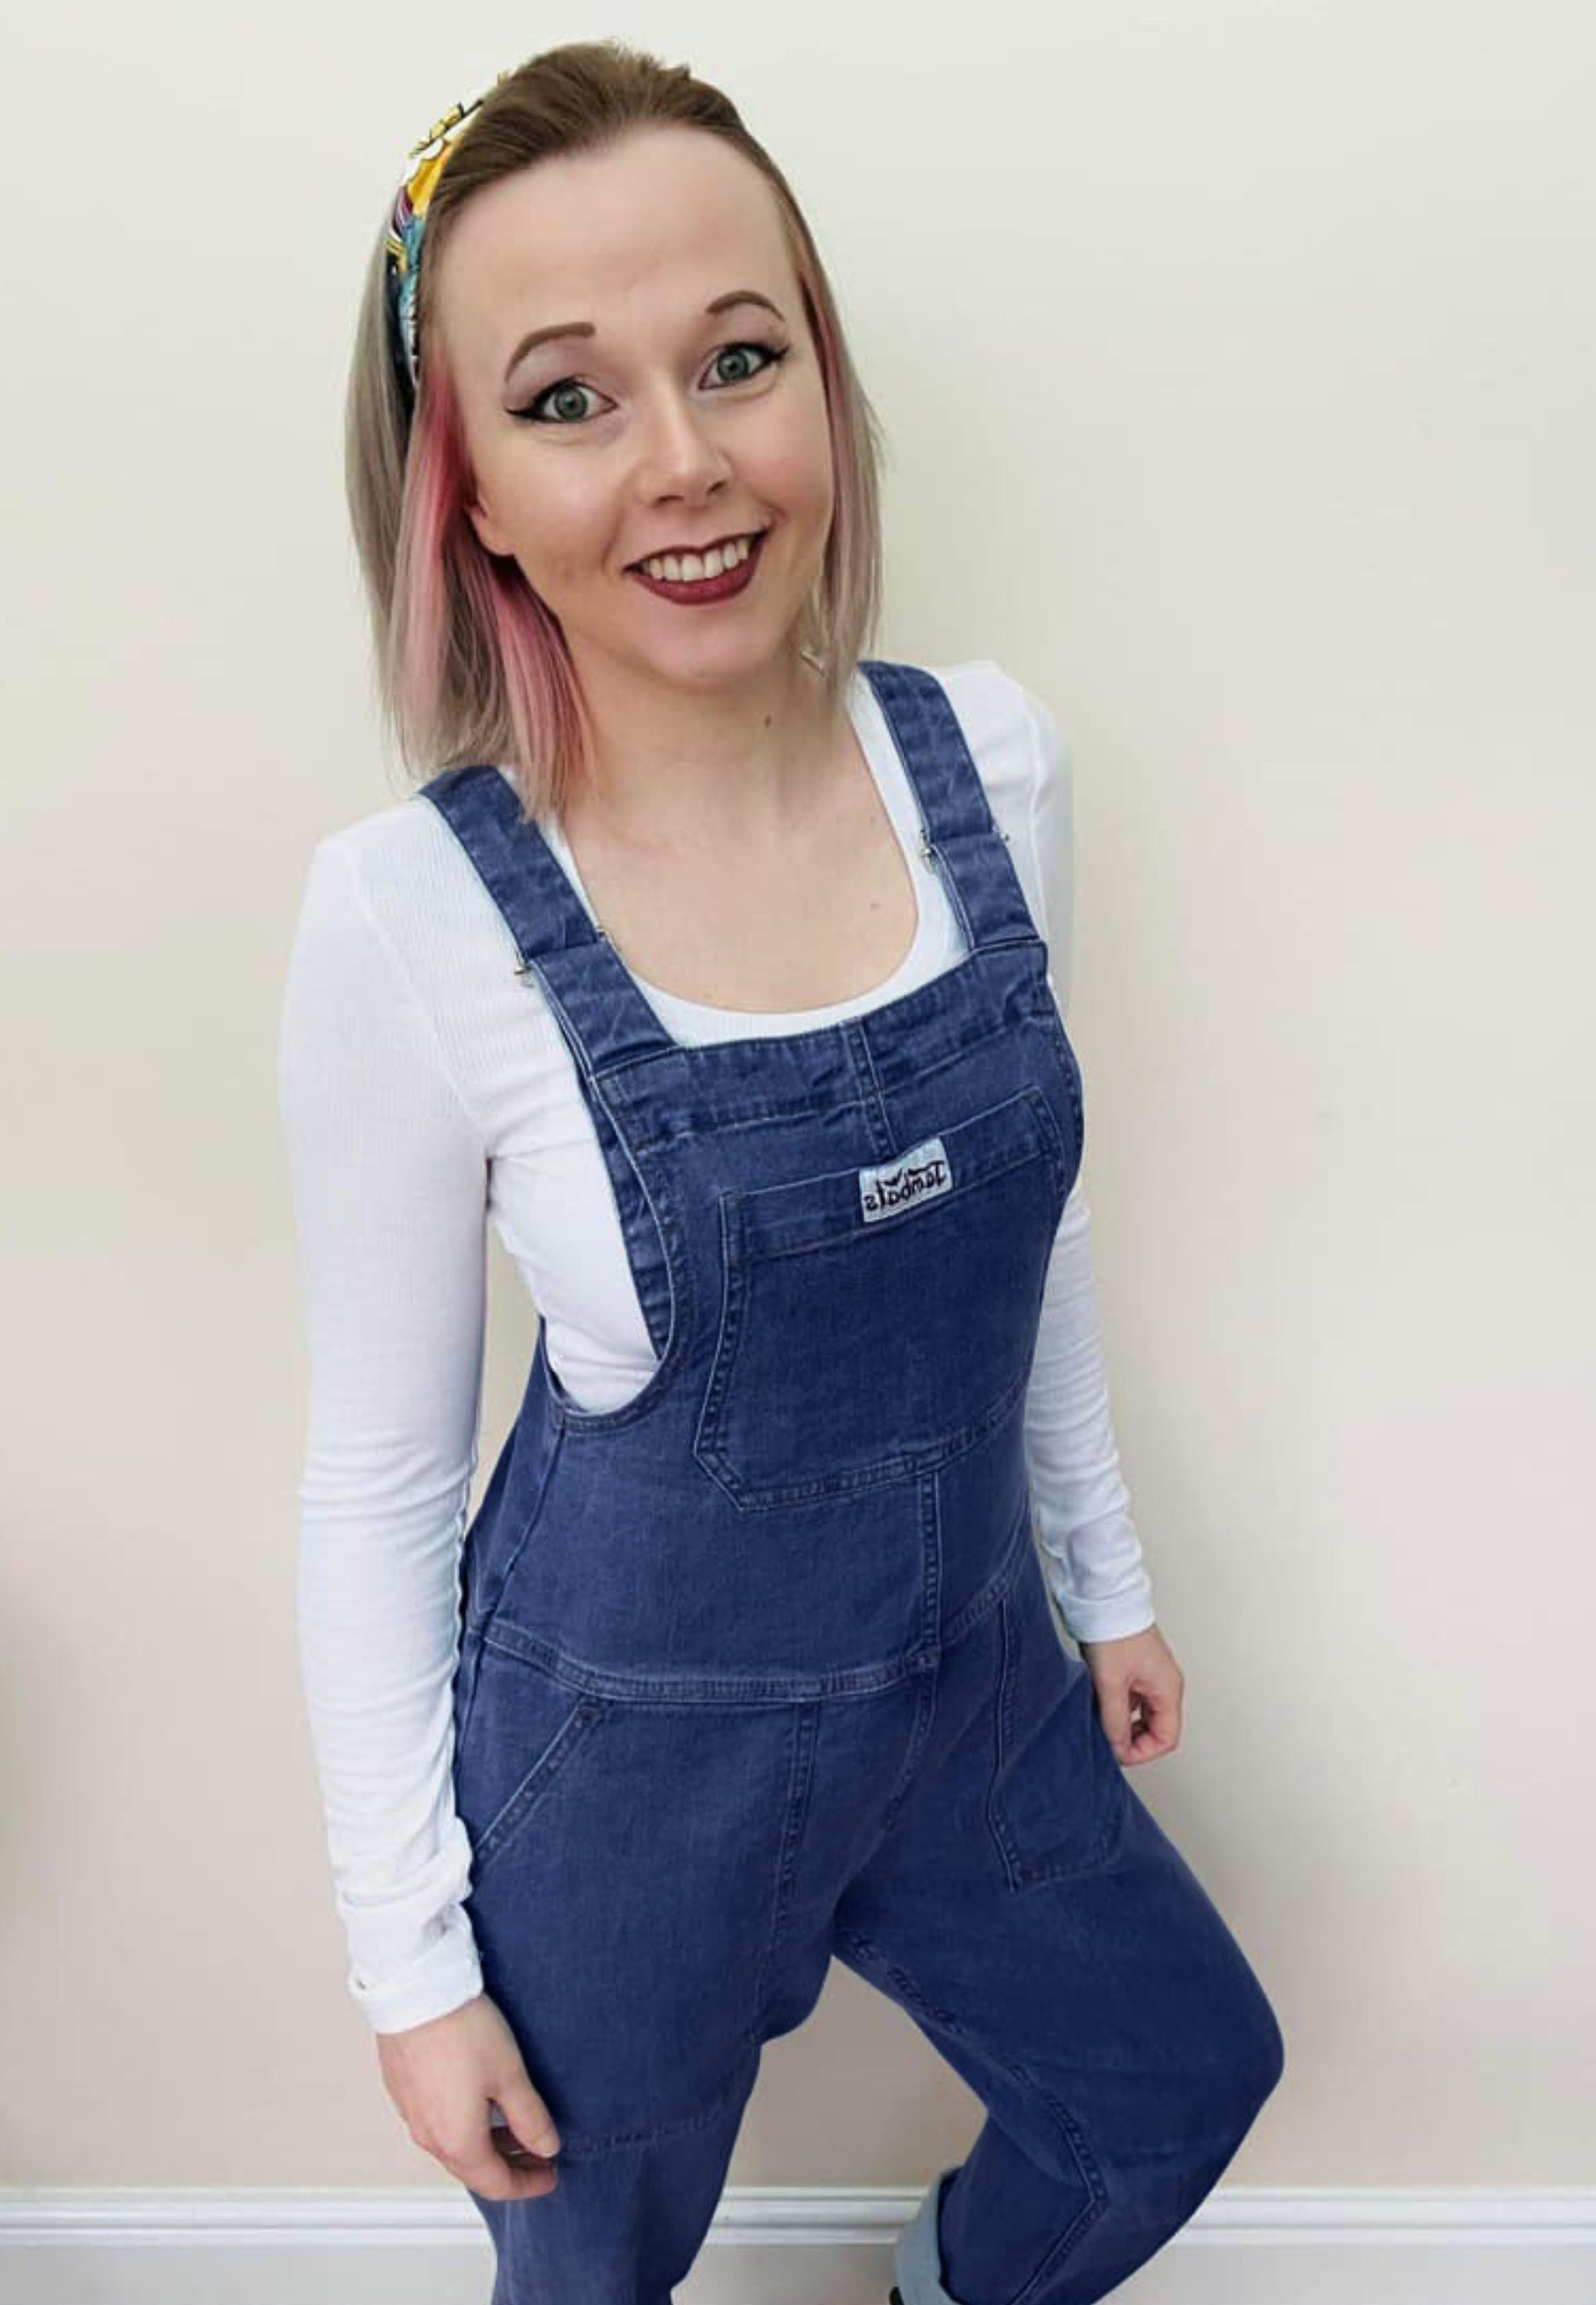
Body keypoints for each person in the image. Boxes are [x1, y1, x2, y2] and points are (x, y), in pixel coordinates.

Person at [279, 38, 1285, 2305]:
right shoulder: (412, 919)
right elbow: (371, 1472)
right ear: (461, 486)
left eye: (740, 357)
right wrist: (407, 1963)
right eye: (568, 397)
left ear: (823, 379)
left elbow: (1039, 1209)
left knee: (1174, 2083)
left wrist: (1103, 1579)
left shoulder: (988, 762)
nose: (691, 461)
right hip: (619, 1782)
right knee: (594, 2273)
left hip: (975, 1685)